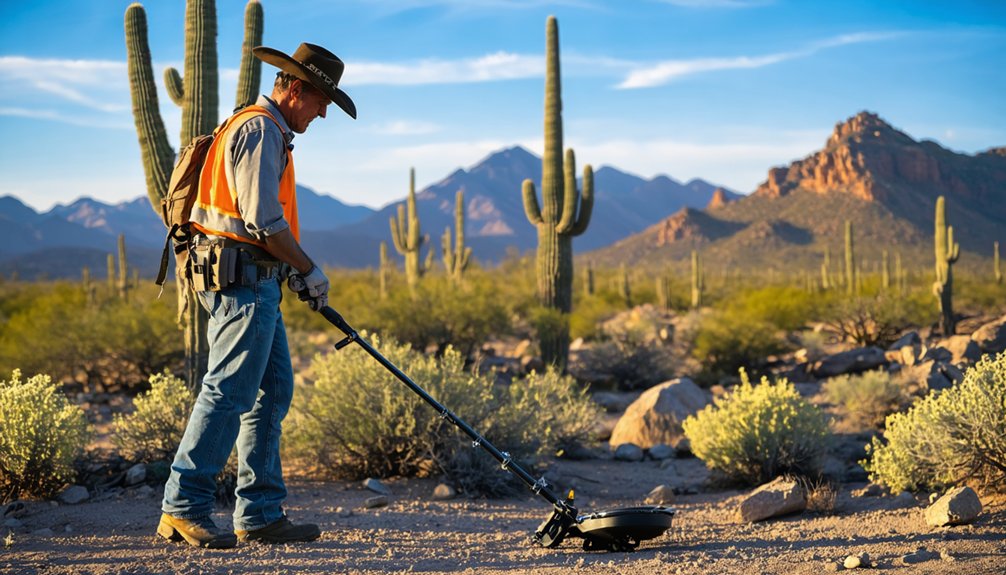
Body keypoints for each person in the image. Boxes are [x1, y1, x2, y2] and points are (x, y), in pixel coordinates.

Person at [156, 43, 357, 549]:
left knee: (272, 392)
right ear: (295, 89)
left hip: (255, 278)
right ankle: (184, 507)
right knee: (229, 391)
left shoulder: (265, 130)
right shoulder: (260, 130)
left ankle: (261, 513)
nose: (324, 110)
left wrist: (287, 271)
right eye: (321, 99)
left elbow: (260, 226)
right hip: (240, 282)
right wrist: (307, 268)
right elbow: (263, 221)